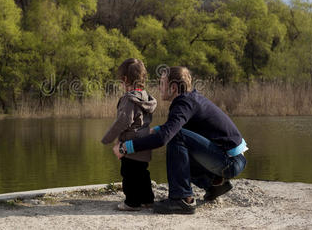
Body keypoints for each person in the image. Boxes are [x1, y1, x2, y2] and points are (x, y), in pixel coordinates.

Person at [113, 66, 248, 214]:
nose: (159, 87)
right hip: (231, 159)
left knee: (176, 136)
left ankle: (182, 199)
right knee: (177, 138)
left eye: (162, 84)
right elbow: (170, 127)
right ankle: (214, 183)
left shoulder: (184, 103)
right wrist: (155, 130)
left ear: (173, 87)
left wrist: (126, 147)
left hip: (229, 162)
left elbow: (165, 137)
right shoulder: (189, 99)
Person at [101, 58, 158, 211]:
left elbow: (123, 121)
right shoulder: (146, 97)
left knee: (129, 173)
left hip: (131, 145)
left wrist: (108, 138)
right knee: (142, 172)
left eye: (120, 81)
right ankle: (147, 200)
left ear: (125, 79)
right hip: (144, 143)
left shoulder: (128, 99)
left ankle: (132, 202)